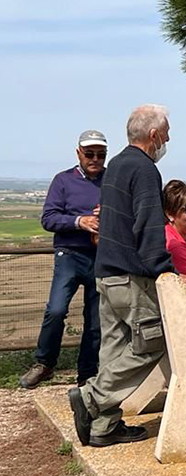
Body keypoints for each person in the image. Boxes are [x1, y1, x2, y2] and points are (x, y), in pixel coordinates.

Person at [68, 104, 174, 448]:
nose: (168, 140)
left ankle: (104, 427)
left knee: (112, 350)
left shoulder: (116, 166)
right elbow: (147, 222)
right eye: (167, 134)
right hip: (131, 275)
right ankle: (92, 399)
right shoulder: (144, 170)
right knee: (152, 341)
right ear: (154, 135)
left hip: (106, 271)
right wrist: (163, 267)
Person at [19, 130, 107, 389]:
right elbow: (48, 218)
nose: (95, 159)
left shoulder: (112, 181)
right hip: (69, 254)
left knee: (96, 321)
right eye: (89, 153)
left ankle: (86, 377)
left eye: (100, 154)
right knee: (56, 310)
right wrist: (80, 222)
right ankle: (44, 363)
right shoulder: (63, 180)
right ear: (78, 153)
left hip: (100, 256)